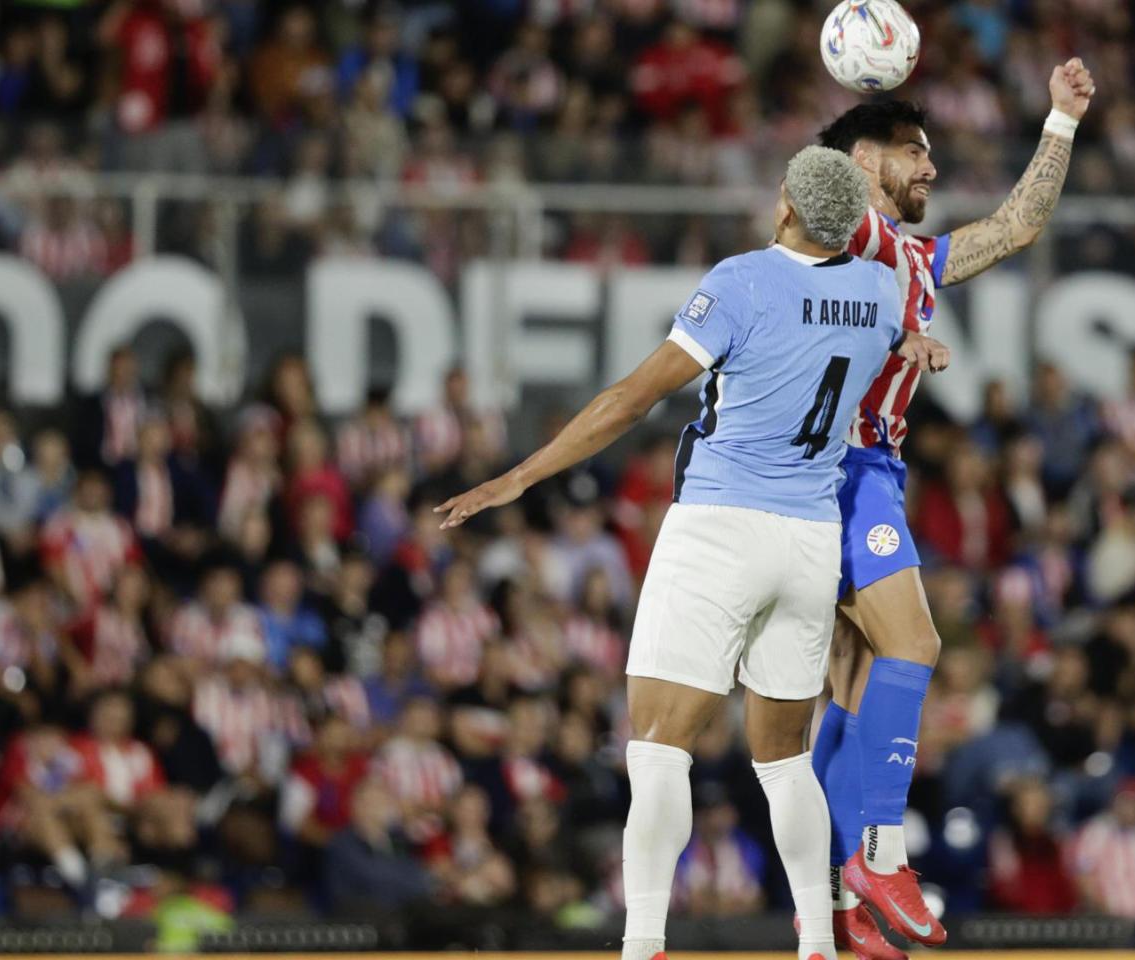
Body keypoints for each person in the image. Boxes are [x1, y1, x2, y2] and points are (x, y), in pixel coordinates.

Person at [434, 146, 948, 960]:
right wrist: (914, 340)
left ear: (785, 205)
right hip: (811, 539)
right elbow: (887, 338)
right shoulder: (879, 292)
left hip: (721, 524)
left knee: (657, 747)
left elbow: (630, 400)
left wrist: (519, 477)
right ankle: (819, 942)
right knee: (785, 762)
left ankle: (644, 945)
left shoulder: (741, 280)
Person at [814, 57, 1096, 955]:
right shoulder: (835, 226)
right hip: (839, 469)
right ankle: (881, 852)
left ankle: (836, 898)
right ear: (865, 161)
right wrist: (898, 333)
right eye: (914, 150)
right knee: (917, 644)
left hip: (871, 471)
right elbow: (815, 276)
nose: (932, 166)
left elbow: (1017, 224)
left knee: (850, 687)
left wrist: (1060, 121)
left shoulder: (917, 256)